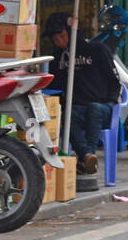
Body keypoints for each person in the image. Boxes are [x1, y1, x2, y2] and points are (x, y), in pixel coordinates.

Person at [45, 11, 120, 175]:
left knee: (94, 108)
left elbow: (115, 82)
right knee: (67, 115)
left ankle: (85, 157)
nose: (60, 42)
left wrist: (112, 102)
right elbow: (56, 86)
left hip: (103, 107)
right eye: (55, 39)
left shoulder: (98, 49)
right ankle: (87, 156)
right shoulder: (59, 57)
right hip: (77, 108)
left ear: (71, 33)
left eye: (62, 36)